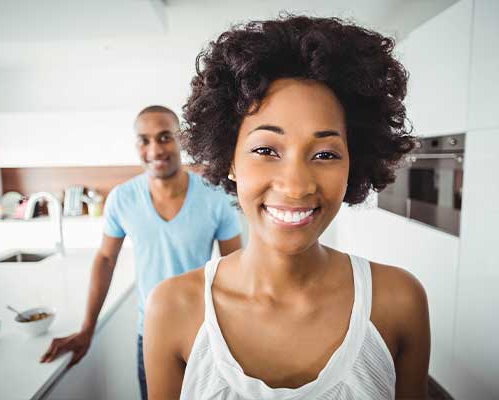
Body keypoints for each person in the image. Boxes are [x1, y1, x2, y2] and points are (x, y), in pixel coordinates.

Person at [144, 16, 431, 400]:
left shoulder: (399, 302)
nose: (296, 186)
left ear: (354, 162)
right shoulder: (172, 309)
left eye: (326, 153)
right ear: (230, 159)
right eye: (266, 150)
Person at [40, 105, 243, 400]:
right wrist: (87, 329)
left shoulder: (215, 196)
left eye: (164, 137)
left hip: (205, 333)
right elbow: (106, 260)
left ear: (182, 139)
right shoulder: (122, 198)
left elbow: (234, 267)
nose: (154, 149)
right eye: (144, 140)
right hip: (150, 333)